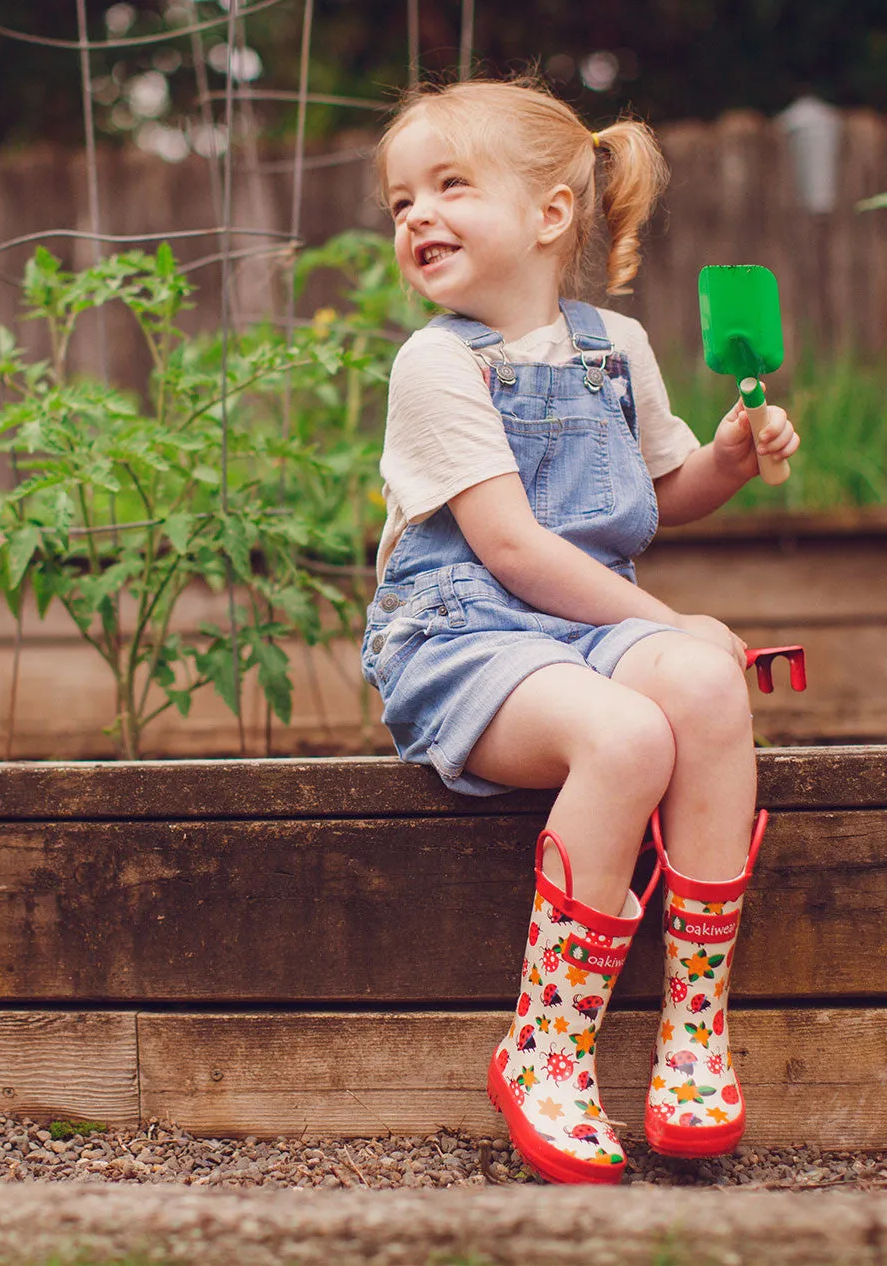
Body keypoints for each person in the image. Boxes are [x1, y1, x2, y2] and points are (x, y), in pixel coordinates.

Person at [360, 76, 800, 1185]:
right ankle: (546, 1049)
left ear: (551, 214)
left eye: (449, 185)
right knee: (628, 736)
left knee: (704, 692)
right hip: (462, 639)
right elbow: (511, 549)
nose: (415, 215)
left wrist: (729, 463)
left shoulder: (617, 349)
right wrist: (671, 620)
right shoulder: (436, 363)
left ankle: (693, 1025)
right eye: (399, 199)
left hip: (577, 631)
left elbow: (662, 492)